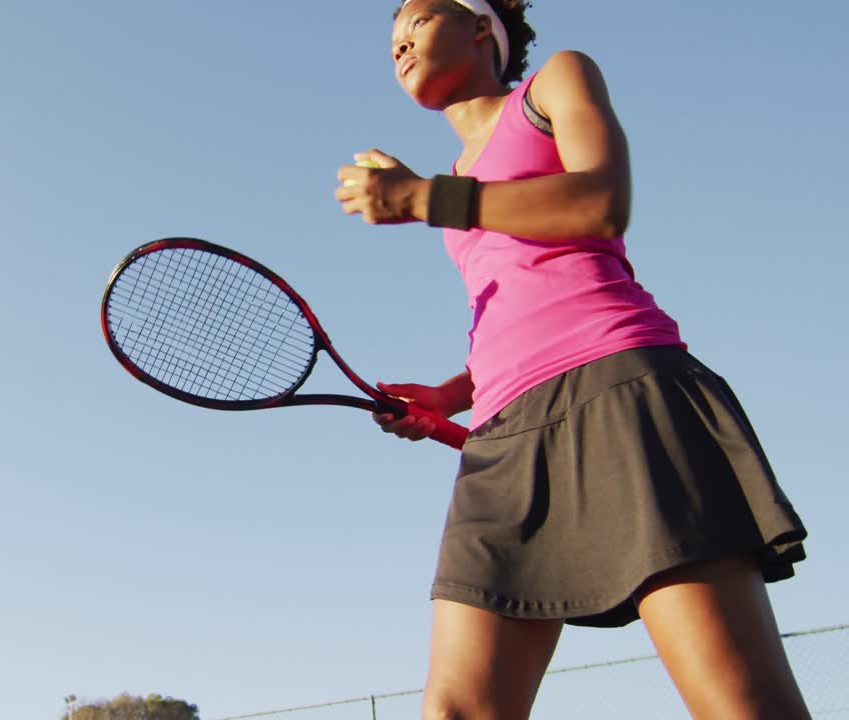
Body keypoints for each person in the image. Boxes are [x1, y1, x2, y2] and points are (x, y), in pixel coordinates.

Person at [334, 1, 810, 718]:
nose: (401, 40)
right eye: (393, 35)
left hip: (622, 394)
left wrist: (426, 196)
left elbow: (601, 203)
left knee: (737, 704)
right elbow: (524, 310)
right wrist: (447, 395)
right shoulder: (459, 184)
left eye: (422, 17)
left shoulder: (554, 83)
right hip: (501, 443)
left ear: (482, 27)